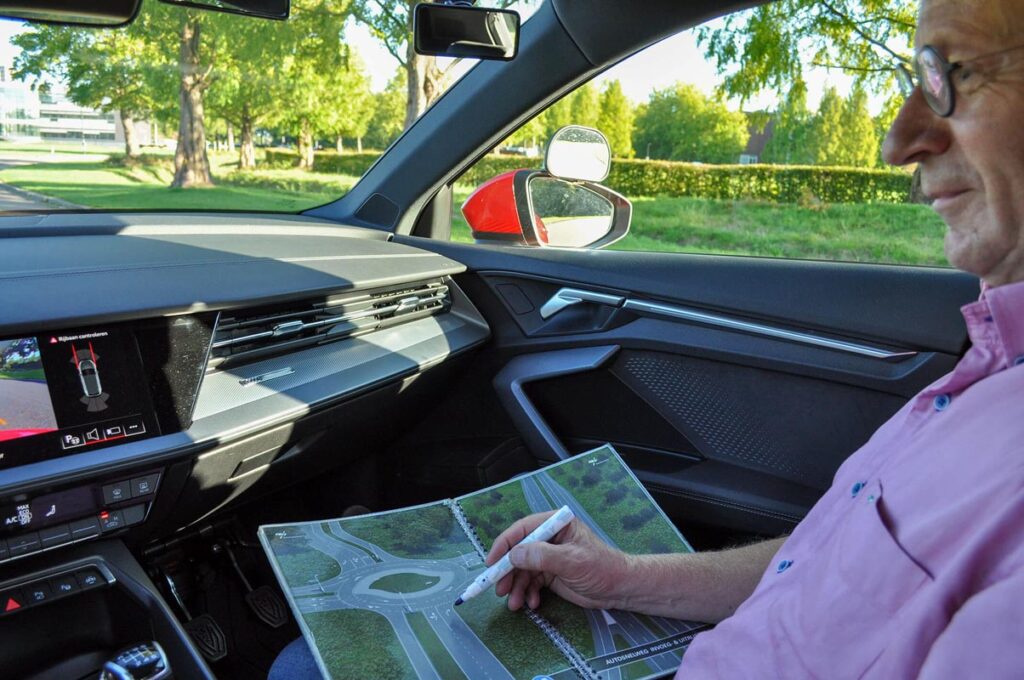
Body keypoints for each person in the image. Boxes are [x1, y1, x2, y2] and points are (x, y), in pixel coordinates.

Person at [271, 0, 1024, 676]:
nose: (900, 142)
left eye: (950, 75)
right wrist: (628, 576)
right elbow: (834, 565)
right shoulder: (991, 366)